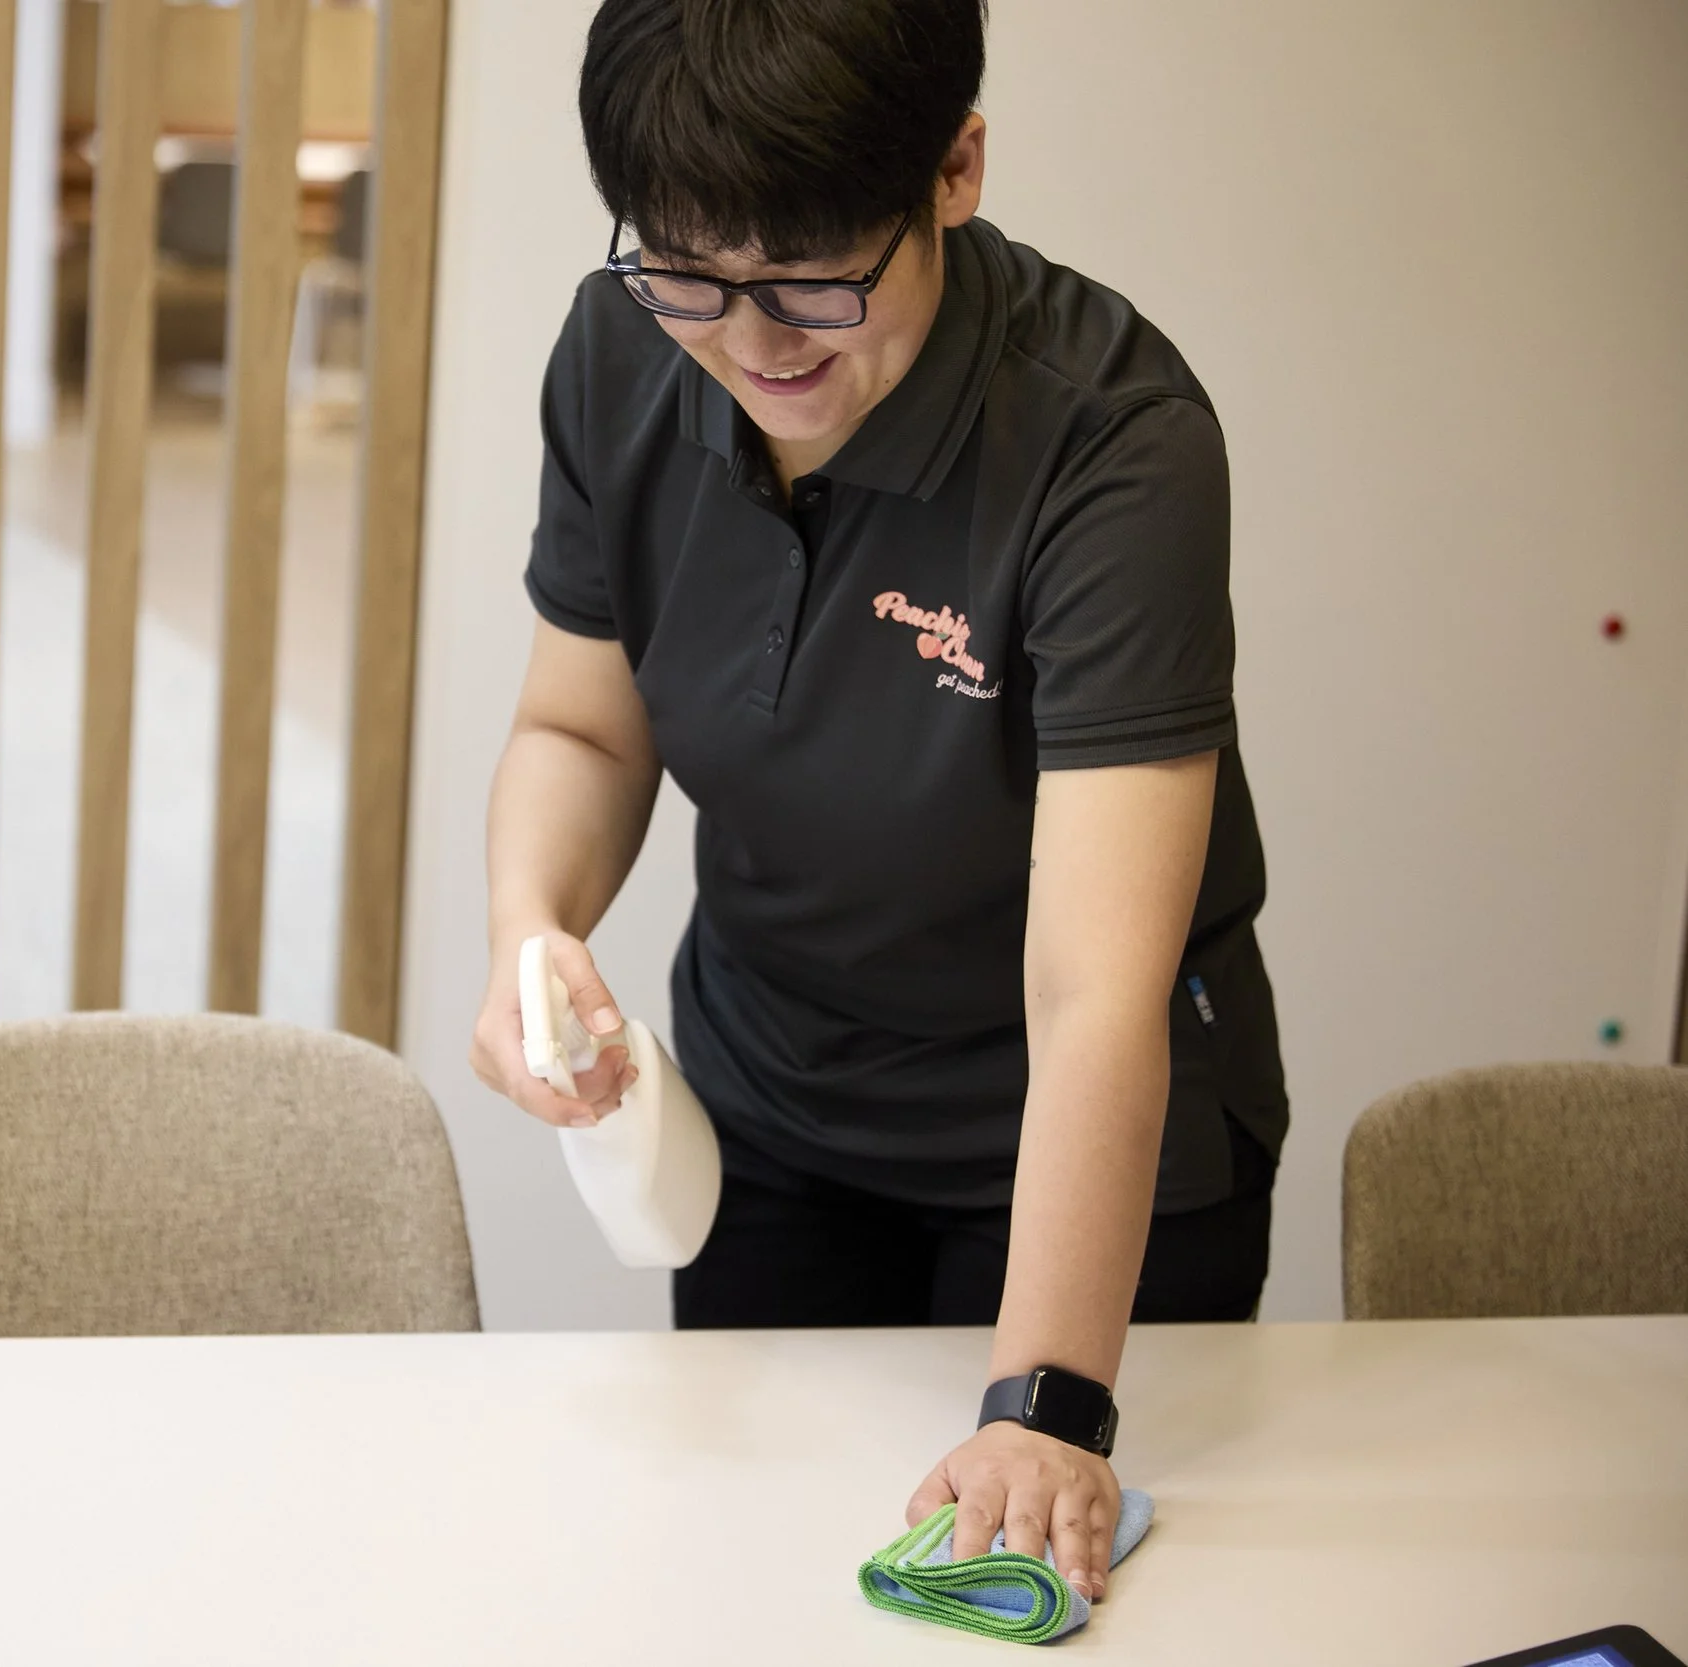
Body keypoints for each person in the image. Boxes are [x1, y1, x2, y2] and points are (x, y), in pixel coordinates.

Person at [468, 0, 1288, 1605]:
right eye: (691, 272)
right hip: (772, 1108)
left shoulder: (1112, 443)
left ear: (956, 167)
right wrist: (529, 929)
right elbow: (582, 723)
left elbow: (1093, 987)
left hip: (1074, 1146)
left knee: (1036, 1600)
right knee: (754, 1585)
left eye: (816, 282)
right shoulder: (623, 347)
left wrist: (1045, 1401)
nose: (756, 340)